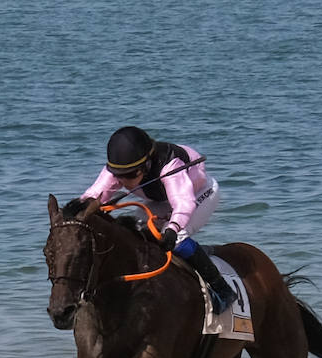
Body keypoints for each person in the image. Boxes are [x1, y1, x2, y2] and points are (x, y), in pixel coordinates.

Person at [75, 126, 238, 314]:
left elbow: (183, 203)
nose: (123, 181)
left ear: (146, 166)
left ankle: (223, 290)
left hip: (199, 194)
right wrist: (77, 214)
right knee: (135, 232)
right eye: (119, 176)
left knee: (176, 238)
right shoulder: (119, 168)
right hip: (161, 200)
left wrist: (173, 227)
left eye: (130, 175)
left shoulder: (170, 166)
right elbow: (94, 195)